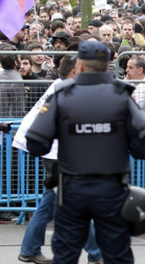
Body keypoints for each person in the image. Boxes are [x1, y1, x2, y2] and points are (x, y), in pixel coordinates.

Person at [25, 41, 145, 264]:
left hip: (71, 189)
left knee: (66, 255)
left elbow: (36, 144)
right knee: (117, 254)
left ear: (80, 65)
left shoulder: (62, 96)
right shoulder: (122, 97)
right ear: (108, 66)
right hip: (112, 190)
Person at [14, 56, 104, 264]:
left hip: (56, 154)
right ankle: (96, 254)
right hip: (60, 156)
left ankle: (30, 249)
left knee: (50, 204)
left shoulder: (59, 86)